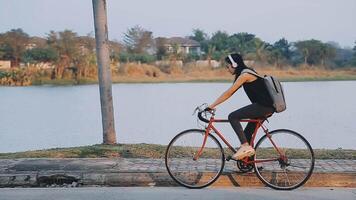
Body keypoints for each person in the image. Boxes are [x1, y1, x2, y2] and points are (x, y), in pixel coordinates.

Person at [207, 53, 275, 160]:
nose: (227, 69)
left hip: (264, 106)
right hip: (266, 106)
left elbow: (229, 92)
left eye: (227, 66)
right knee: (247, 134)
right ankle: (248, 163)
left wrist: (212, 105)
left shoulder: (245, 75)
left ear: (234, 65)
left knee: (233, 117)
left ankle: (245, 147)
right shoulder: (246, 72)